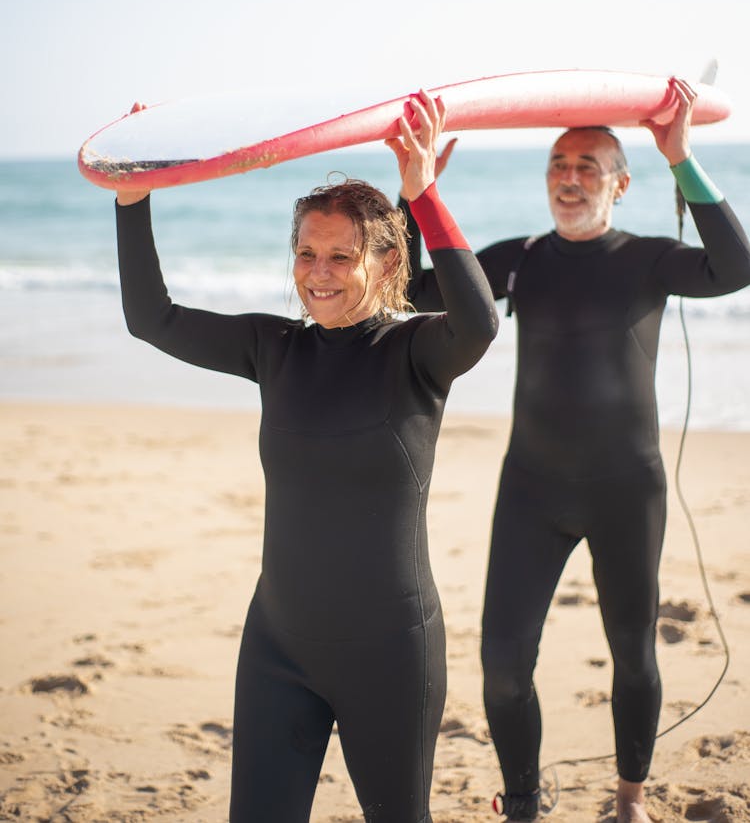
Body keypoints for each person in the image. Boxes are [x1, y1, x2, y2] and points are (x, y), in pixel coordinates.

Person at [114, 89, 498, 823]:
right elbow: (150, 319)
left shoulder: (415, 352)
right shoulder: (274, 347)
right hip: (278, 646)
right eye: (306, 253)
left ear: (386, 263)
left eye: (340, 256)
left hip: (390, 651)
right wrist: (133, 200)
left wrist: (423, 195)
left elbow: (479, 323)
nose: (318, 272)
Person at [398, 77, 750, 823]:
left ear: (622, 184)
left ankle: (629, 798)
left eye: (588, 165)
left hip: (628, 489)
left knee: (633, 654)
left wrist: (681, 156)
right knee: (501, 669)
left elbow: (736, 265)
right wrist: (416, 191)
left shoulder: (651, 258)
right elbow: (412, 289)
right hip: (532, 489)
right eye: (559, 164)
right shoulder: (520, 259)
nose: (569, 177)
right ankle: (522, 804)